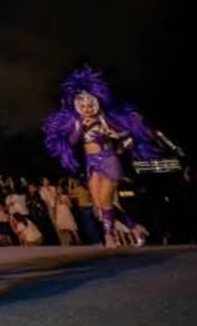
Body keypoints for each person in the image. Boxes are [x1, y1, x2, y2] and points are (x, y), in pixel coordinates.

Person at [43, 65, 158, 248]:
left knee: (105, 201)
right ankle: (135, 228)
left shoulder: (105, 119)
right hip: (91, 163)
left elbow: (127, 134)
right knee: (100, 207)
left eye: (90, 105)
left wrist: (111, 134)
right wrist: (81, 125)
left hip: (108, 160)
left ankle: (109, 236)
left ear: (95, 104)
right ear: (78, 106)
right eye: (83, 106)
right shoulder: (78, 122)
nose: (87, 109)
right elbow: (72, 141)